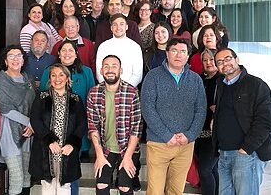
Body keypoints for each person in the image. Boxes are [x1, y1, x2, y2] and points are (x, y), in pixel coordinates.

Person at [141, 38, 206, 195]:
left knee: (176, 191)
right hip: (159, 143)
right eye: (174, 51)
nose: (178, 55)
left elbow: (201, 110)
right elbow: (147, 108)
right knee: (155, 191)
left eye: (183, 51)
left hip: (185, 145)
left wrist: (190, 135)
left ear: (188, 55)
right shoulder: (153, 77)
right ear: (167, 53)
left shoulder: (195, 80)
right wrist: (166, 135)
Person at [213, 48, 271, 195]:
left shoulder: (256, 85)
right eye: (220, 62)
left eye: (228, 58)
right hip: (224, 153)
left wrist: (246, 149)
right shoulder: (221, 85)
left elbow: (266, 122)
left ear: (237, 60)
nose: (224, 64)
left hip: (246, 153)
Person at [87, 54, 143, 195]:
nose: (110, 69)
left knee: (124, 186)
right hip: (105, 149)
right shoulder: (94, 93)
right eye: (106, 66)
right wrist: (99, 155)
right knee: (101, 184)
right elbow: (93, 126)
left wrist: (128, 157)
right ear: (101, 71)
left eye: (114, 66)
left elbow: (136, 127)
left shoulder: (132, 92)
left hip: (128, 149)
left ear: (120, 70)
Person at [29, 63, 87, 195]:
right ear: (49, 79)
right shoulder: (42, 97)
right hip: (46, 149)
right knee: (47, 187)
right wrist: (49, 141)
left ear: (67, 78)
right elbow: (35, 121)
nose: (57, 78)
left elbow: (82, 124)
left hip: (66, 151)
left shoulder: (76, 99)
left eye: (61, 75)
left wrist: (72, 144)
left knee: (64, 188)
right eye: (53, 75)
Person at [0, 45, 36, 195]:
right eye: (11, 56)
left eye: (18, 55)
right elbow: (5, 108)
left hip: (28, 132)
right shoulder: (0, 80)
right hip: (9, 131)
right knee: (16, 176)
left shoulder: (28, 79)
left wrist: (32, 125)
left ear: (23, 60)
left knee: (26, 175)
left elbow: (34, 104)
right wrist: (30, 122)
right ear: (5, 61)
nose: (15, 59)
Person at [96, 13, 143, 88]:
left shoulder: (135, 47)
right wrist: (110, 87)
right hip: (107, 89)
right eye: (115, 25)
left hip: (129, 90)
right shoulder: (103, 46)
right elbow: (99, 72)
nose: (118, 27)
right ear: (111, 28)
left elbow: (138, 75)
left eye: (121, 24)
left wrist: (125, 89)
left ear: (126, 27)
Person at [196, 48, 219, 195]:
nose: (208, 63)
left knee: (204, 170)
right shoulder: (199, 79)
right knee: (212, 170)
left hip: (215, 135)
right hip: (199, 134)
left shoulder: (223, 80)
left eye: (211, 59)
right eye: (205, 60)